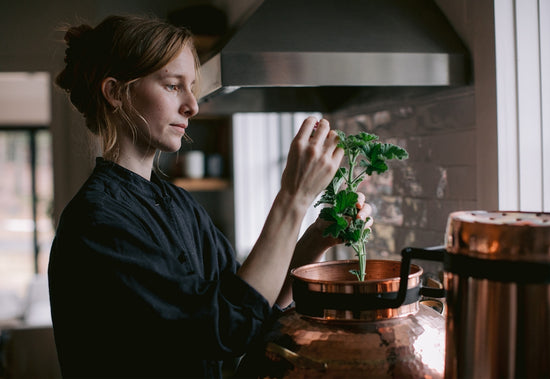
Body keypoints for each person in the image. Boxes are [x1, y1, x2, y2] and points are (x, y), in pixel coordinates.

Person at [48, 14, 372, 378]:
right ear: (115, 92)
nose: (193, 105)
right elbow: (227, 327)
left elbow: (251, 310)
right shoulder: (99, 224)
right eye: (173, 86)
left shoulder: (176, 202)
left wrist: (315, 240)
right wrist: (293, 197)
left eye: (191, 87)